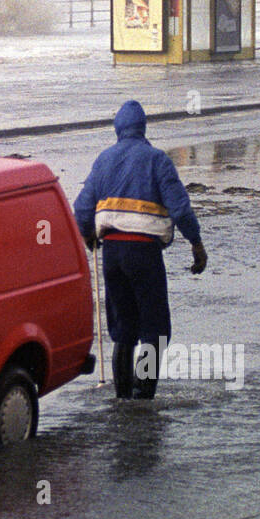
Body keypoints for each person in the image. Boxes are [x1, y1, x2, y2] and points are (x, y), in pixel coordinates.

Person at [73, 99, 207, 400]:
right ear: (143, 128)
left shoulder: (104, 160)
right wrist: (196, 244)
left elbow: (81, 208)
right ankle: (144, 395)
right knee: (155, 329)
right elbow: (181, 210)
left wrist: (88, 237)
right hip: (145, 253)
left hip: (112, 255)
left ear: (118, 130)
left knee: (123, 329)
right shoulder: (157, 160)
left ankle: (122, 398)